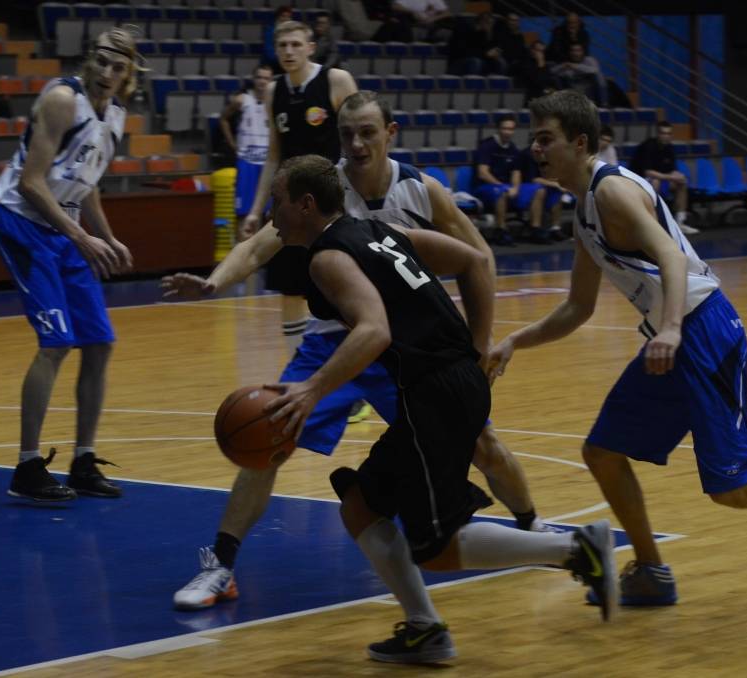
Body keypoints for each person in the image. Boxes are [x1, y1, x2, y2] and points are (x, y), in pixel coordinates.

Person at [163, 91, 556, 612]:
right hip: (335, 341)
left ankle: (533, 527)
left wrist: (480, 345)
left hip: (407, 350)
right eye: (347, 134)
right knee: (268, 431)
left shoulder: (421, 189)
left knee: (482, 443)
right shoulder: (323, 189)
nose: (356, 143)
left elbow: (478, 258)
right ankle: (221, 567)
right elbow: (259, 245)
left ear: (390, 132)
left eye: (367, 131)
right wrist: (215, 284)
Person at [488, 90, 747, 606]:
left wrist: (669, 327)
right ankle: (651, 570)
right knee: (602, 452)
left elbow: (671, 255)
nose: (536, 149)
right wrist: (515, 339)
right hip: (672, 338)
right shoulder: (584, 211)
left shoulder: (613, 192)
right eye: (534, 139)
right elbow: (578, 307)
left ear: (579, 143)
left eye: (545, 139)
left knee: (730, 485)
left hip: (703, 329)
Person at [262, 153, 618, 662]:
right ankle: (425, 628)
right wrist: (477, 346)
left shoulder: (328, 257)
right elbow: (474, 259)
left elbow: (373, 330)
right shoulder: (378, 232)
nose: (270, 213)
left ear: (306, 204)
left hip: (437, 391)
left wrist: (312, 389)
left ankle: (576, 548)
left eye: (277, 201)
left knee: (436, 548)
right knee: (361, 506)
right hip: (445, 386)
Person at [0, 28, 138, 502]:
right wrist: (84, 237)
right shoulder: (60, 99)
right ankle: (27, 467)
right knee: (56, 343)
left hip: (68, 229)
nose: (107, 71)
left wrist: (109, 237)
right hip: (26, 224)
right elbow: (33, 183)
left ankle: (83, 461)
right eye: (101, 60)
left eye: (118, 65)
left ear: (128, 73)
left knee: (99, 344)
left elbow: (85, 182)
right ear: (89, 59)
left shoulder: (114, 115)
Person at [239, 20, 358, 355]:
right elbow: (273, 155)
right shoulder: (274, 91)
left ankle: (355, 374)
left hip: (335, 203)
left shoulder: (335, 80)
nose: (289, 51)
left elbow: (360, 136)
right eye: (283, 46)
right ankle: (296, 371)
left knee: (341, 287)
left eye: (295, 44)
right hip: (292, 205)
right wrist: (255, 209)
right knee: (290, 289)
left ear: (310, 47)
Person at [219, 64, 274, 223]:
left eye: (266, 78)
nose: (262, 81)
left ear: (271, 81)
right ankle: (243, 246)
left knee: (268, 213)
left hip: (268, 162)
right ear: (254, 79)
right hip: (246, 161)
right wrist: (232, 144)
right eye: (259, 77)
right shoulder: (242, 99)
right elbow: (223, 119)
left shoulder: (276, 102)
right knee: (243, 212)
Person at [630, 120, 698, 234]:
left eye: (668, 133)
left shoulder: (669, 148)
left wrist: (679, 176)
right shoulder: (649, 146)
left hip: (660, 179)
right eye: (663, 133)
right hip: (638, 180)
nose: (666, 136)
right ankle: (651, 222)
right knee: (655, 182)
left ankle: (680, 222)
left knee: (681, 183)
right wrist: (671, 177)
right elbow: (648, 172)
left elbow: (672, 170)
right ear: (658, 134)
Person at [473, 114, 519, 246]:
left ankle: (537, 228)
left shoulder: (513, 149)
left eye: (511, 129)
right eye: (505, 128)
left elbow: (516, 172)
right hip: (484, 187)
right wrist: (503, 186)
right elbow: (483, 173)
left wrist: (515, 188)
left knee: (538, 190)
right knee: (501, 191)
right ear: (498, 129)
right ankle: (501, 230)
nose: (508, 132)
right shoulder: (487, 146)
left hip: (506, 186)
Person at [511, 144, 567, 243]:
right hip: (525, 186)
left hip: (542, 185)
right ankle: (535, 228)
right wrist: (555, 184)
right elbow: (533, 179)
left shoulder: (548, 154)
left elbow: (548, 175)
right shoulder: (528, 155)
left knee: (557, 192)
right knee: (540, 190)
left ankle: (555, 228)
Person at [520, 40, 560, 107]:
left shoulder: (545, 65)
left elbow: (551, 81)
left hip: (546, 100)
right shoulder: (526, 64)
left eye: (542, 51)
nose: (541, 53)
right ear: (532, 50)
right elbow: (538, 82)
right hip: (532, 100)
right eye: (538, 50)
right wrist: (540, 64)